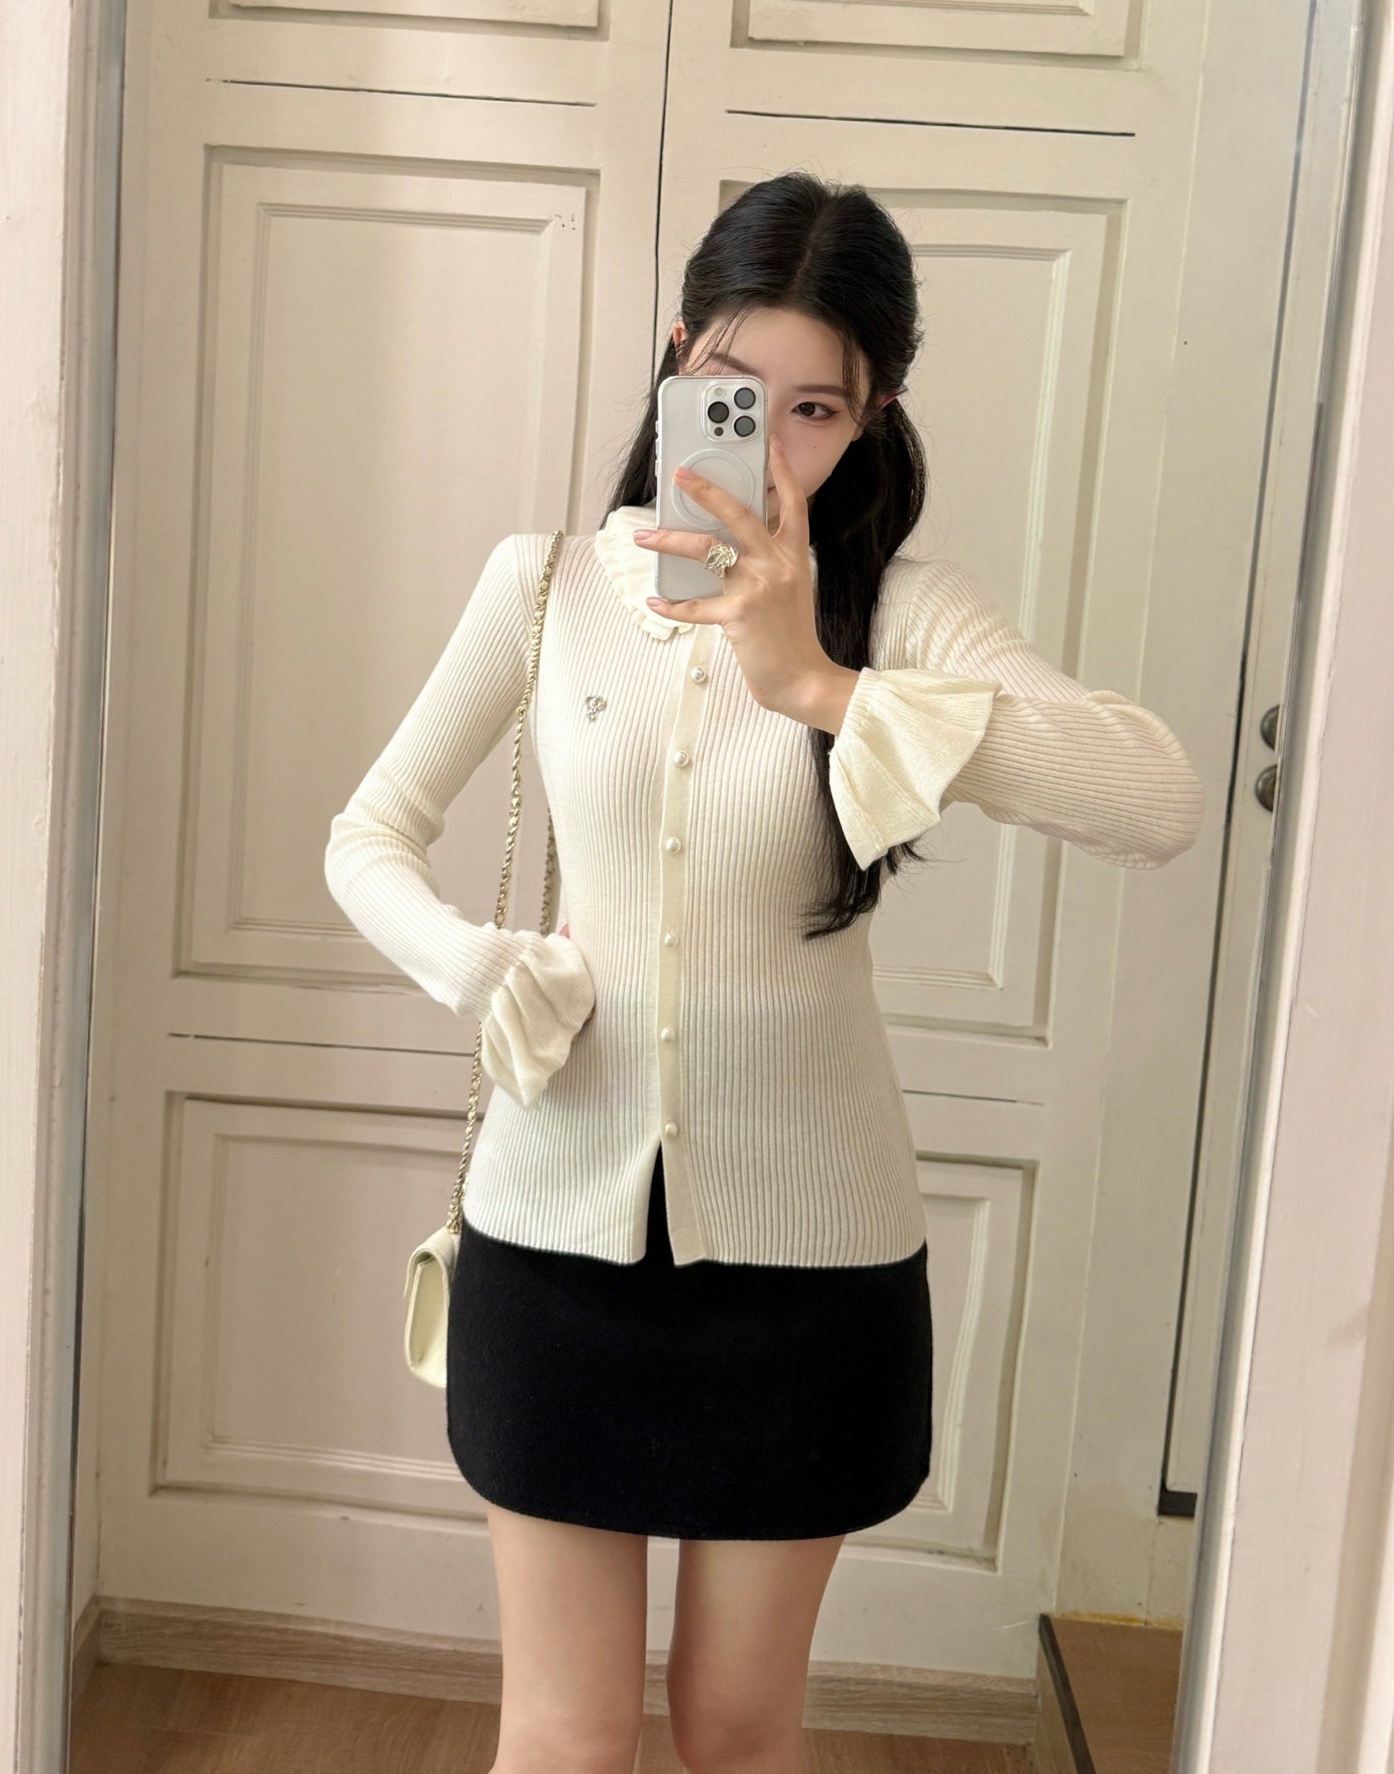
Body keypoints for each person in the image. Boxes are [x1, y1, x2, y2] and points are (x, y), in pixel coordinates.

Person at [324, 171, 1206, 1774]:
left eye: (820, 410)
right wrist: (476, 964)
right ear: (679, 360)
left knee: (738, 1729)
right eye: (741, 389)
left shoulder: (903, 617)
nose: (775, 447)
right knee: (566, 1736)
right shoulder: (546, 588)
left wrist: (819, 683)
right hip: (552, 1245)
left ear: (875, 420)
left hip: (811, 1271)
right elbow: (367, 835)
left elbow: (1155, 798)